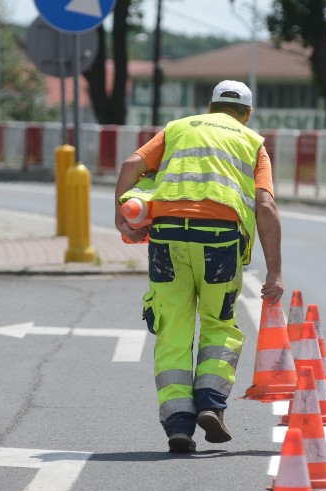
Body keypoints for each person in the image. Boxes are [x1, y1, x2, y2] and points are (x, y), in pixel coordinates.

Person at [114, 79, 284, 453]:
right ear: (247, 114)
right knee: (218, 322)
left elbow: (131, 165)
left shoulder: (177, 128)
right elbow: (266, 207)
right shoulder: (252, 142)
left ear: (210, 107)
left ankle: (177, 424)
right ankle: (210, 404)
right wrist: (274, 271)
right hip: (219, 240)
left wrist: (119, 216)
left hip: (168, 237)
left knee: (172, 327)